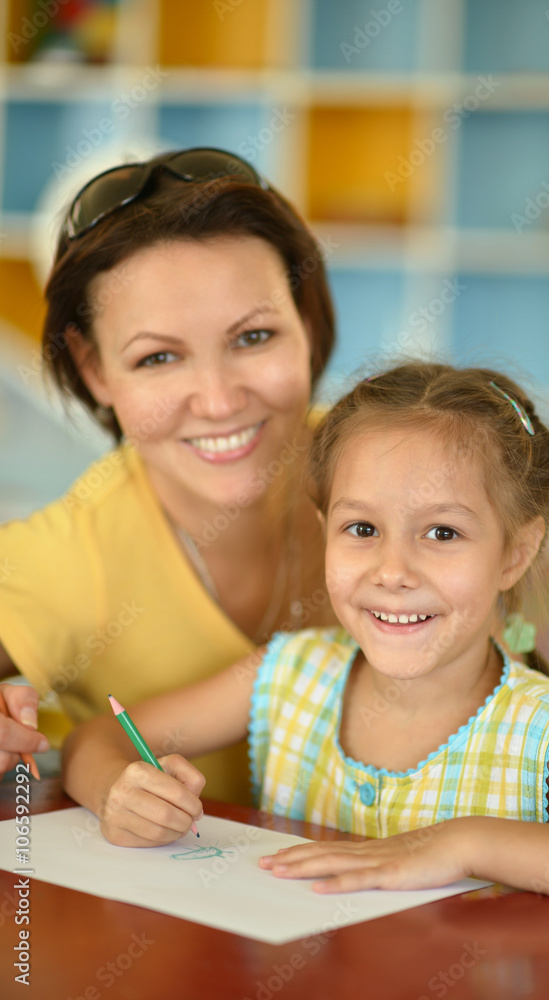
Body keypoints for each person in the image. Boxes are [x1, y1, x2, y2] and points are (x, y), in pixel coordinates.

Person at [61, 362, 549, 908]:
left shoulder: (547, 733)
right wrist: (119, 792)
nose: (393, 572)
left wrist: (465, 844)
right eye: (362, 527)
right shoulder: (286, 674)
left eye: (443, 533)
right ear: (325, 529)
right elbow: (97, 737)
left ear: (516, 553)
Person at [0, 147, 338, 801]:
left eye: (253, 338)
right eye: (158, 357)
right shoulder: (73, 553)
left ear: (307, 321)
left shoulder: (395, 457)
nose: (216, 400)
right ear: (95, 369)